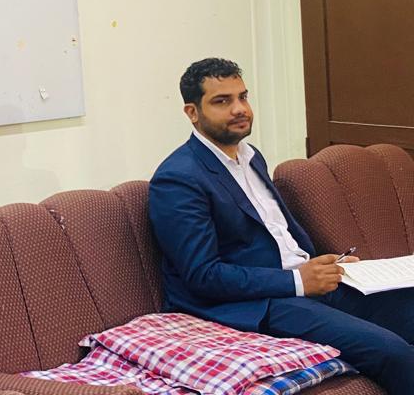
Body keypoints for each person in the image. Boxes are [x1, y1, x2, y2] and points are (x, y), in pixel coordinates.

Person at [149, 57, 414, 392]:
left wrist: (314, 265)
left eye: (243, 97)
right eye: (222, 101)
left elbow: (273, 234)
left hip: (296, 283)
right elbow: (203, 275)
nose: (239, 109)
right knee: (391, 351)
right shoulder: (178, 178)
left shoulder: (250, 157)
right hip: (253, 303)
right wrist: (297, 280)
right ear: (192, 112)